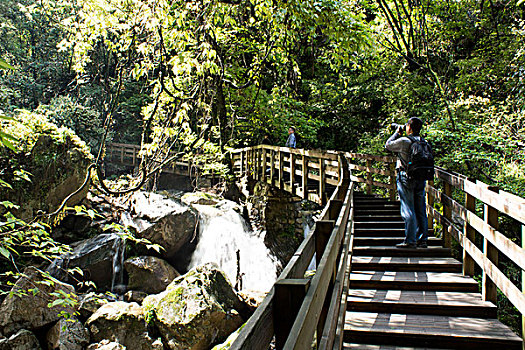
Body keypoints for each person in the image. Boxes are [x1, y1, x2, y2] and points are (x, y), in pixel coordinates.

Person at [385, 117, 428, 248]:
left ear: (408, 127)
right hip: (421, 178)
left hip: (406, 177)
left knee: (408, 208)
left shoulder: (404, 141)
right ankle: (423, 239)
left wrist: (397, 132)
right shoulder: (423, 141)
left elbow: (388, 145)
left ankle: (410, 240)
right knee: (420, 208)